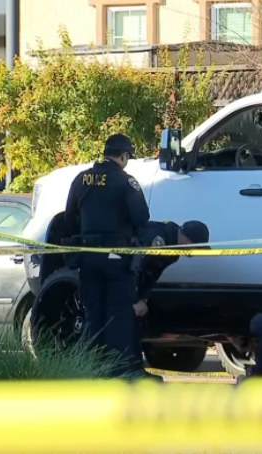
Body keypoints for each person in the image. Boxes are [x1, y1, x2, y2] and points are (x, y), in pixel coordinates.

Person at [64, 133, 156, 380]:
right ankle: (119, 370)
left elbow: (69, 216)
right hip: (117, 259)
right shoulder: (126, 182)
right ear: (124, 156)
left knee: (93, 313)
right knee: (119, 314)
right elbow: (141, 218)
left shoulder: (81, 179)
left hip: (87, 257)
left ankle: (91, 369)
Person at [131, 220, 210, 318]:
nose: (195, 253)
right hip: (116, 267)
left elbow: (152, 274)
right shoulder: (158, 241)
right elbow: (134, 268)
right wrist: (135, 300)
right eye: (197, 248)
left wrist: (143, 298)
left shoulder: (173, 251)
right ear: (188, 241)